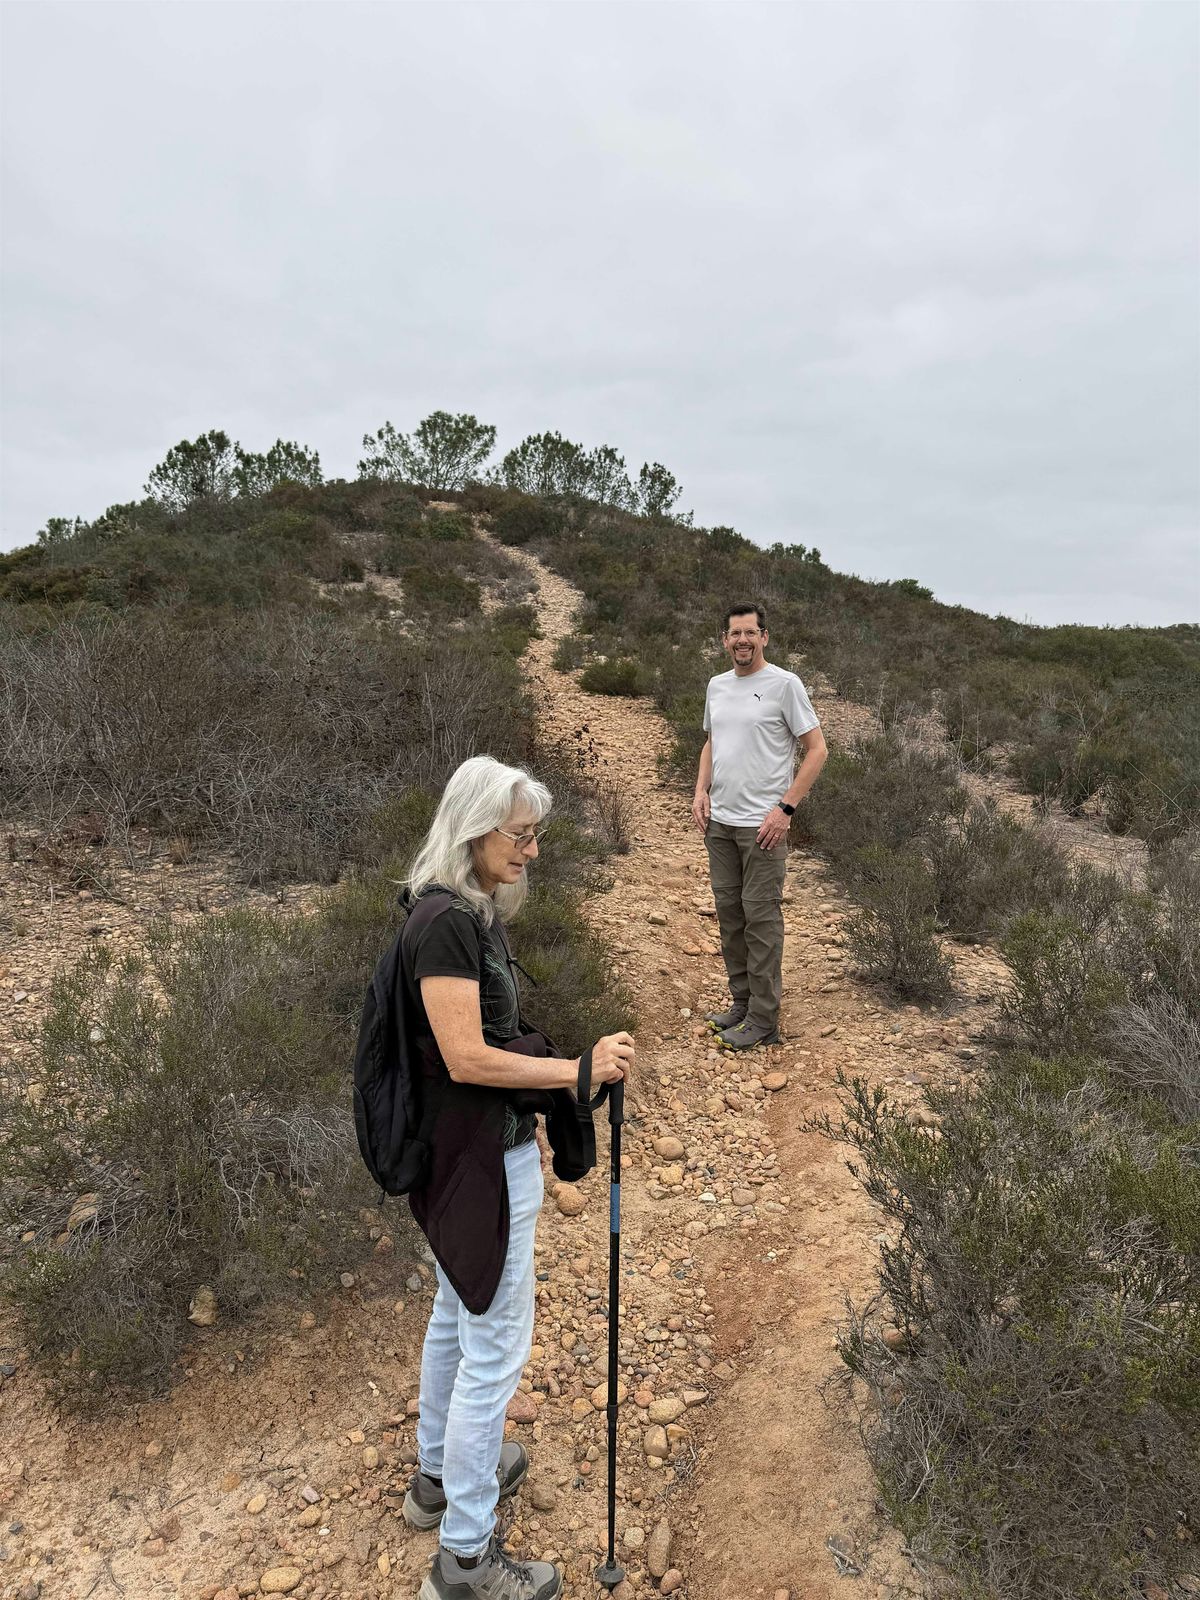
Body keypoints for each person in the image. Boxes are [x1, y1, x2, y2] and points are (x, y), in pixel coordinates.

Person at [398, 755, 634, 1600]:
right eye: (521, 836)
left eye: (535, 836)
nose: (531, 852)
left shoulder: (454, 912)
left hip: (457, 1159)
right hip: (476, 1166)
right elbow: (465, 1056)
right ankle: (465, 1556)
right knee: (493, 1347)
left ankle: (437, 1478)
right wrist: (577, 1071)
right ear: (475, 832)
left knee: (455, 1316)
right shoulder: (451, 925)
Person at [691, 603, 828, 1050]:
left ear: (764, 637)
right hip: (721, 823)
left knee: (761, 920)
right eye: (735, 634)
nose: (743, 641)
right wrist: (700, 791)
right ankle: (742, 1004)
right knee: (730, 916)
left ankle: (764, 1021)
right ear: (725, 640)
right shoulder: (717, 686)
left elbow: (817, 750)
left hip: (763, 827)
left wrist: (785, 810)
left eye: (751, 632)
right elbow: (712, 741)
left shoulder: (785, 685)